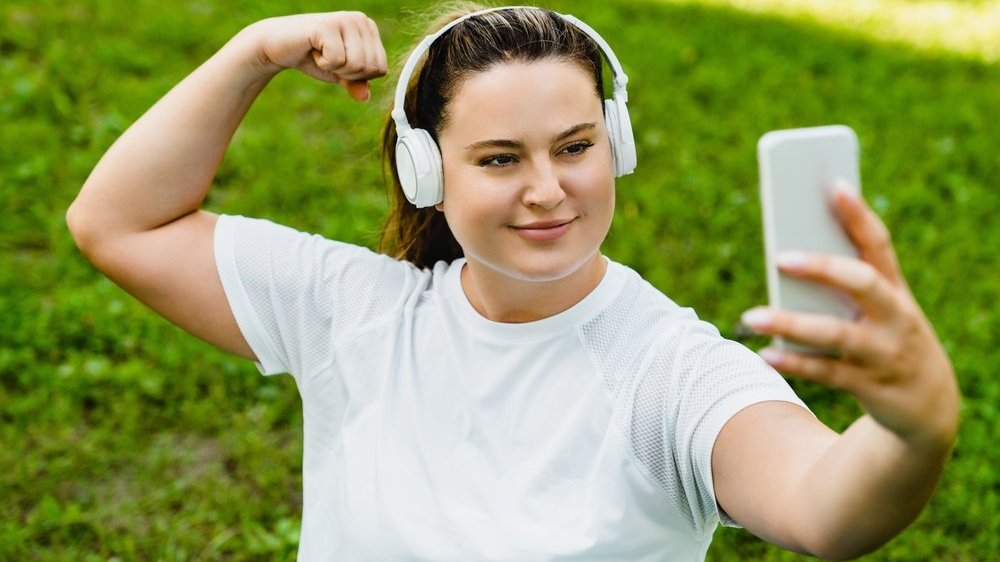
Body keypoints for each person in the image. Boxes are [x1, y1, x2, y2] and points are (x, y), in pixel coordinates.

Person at [66, 4, 960, 561]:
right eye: (499, 159)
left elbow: (823, 508)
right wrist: (251, 52)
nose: (547, 189)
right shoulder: (356, 315)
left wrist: (913, 427)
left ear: (618, 144)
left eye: (575, 147)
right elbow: (117, 223)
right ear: (427, 173)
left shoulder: (670, 369)